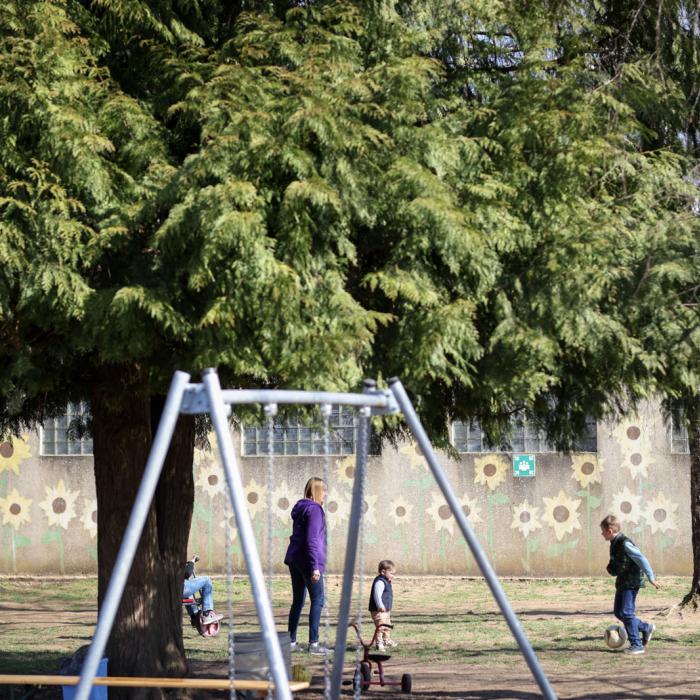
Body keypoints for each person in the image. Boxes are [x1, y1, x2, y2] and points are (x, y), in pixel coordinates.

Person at [600, 515, 660, 655]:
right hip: (622, 582)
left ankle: (637, 645)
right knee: (619, 612)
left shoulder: (625, 543)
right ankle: (645, 627)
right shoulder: (614, 543)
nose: (601, 534)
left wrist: (651, 577)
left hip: (631, 582)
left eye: (603, 531)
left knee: (627, 612)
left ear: (609, 531)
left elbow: (641, 559)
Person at [284, 477, 330, 655]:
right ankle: (314, 644)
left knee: (298, 602)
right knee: (318, 600)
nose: (325, 494)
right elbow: (312, 540)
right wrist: (315, 566)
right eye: (324, 491)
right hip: (308, 561)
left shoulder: (301, 508)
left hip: (295, 559)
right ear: (317, 491)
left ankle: (291, 642)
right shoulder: (315, 510)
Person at [183, 554, 222, 625]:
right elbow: (187, 573)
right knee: (207, 580)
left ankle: (194, 616)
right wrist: (192, 561)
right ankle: (207, 613)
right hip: (182, 589)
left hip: (169, 593)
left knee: (188, 587)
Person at [368, 559, 397, 652]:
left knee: (387, 625)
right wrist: (380, 605)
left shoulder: (386, 581)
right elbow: (377, 595)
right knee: (380, 626)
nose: (393, 576)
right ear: (383, 572)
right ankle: (379, 642)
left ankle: (386, 640)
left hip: (386, 610)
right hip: (378, 610)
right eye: (391, 573)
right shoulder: (380, 582)